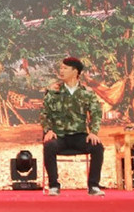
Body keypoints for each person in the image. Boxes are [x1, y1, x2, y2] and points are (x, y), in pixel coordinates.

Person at [40, 56, 105, 197]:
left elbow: (96, 113)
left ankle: (93, 186)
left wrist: (93, 132)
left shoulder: (87, 92)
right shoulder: (53, 91)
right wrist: (48, 130)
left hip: (79, 135)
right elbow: (44, 114)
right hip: (59, 135)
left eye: (65, 68)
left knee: (97, 147)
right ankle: (53, 186)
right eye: (61, 68)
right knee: (49, 146)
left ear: (75, 71)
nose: (61, 71)